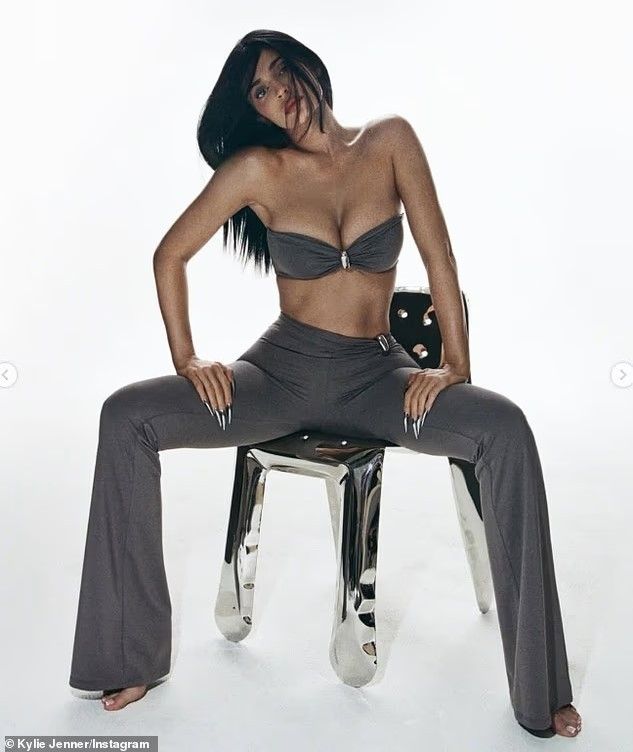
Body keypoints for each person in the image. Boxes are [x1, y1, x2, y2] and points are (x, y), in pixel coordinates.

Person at [68, 29, 582, 738]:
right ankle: (128, 657)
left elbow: (438, 256)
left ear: (308, 67)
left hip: (379, 376)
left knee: (506, 428)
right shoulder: (258, 169)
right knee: (125, 416)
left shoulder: (390, 140)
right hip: (277, 375)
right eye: (260, 90)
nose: (279, 92)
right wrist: (188, 359)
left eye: (282, 72)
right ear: (254, 109)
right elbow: (170, 255)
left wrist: (453, 367)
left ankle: (539, 693)